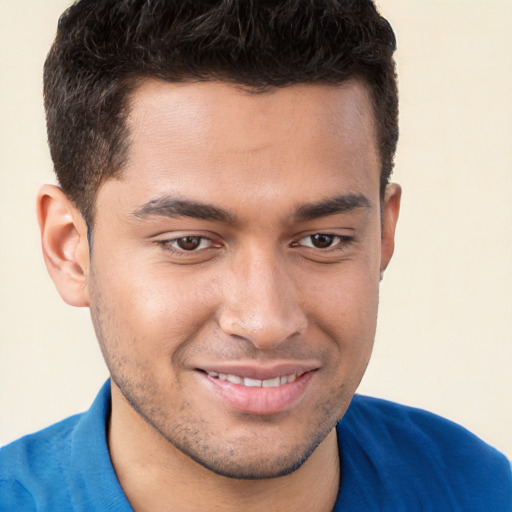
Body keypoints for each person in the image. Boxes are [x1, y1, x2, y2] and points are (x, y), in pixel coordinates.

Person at [0, 0, 510, 510]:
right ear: (69, 250)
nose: (266, 322)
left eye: (322, 240)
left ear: (383, 235)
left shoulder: (482, 490)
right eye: (189, 243)